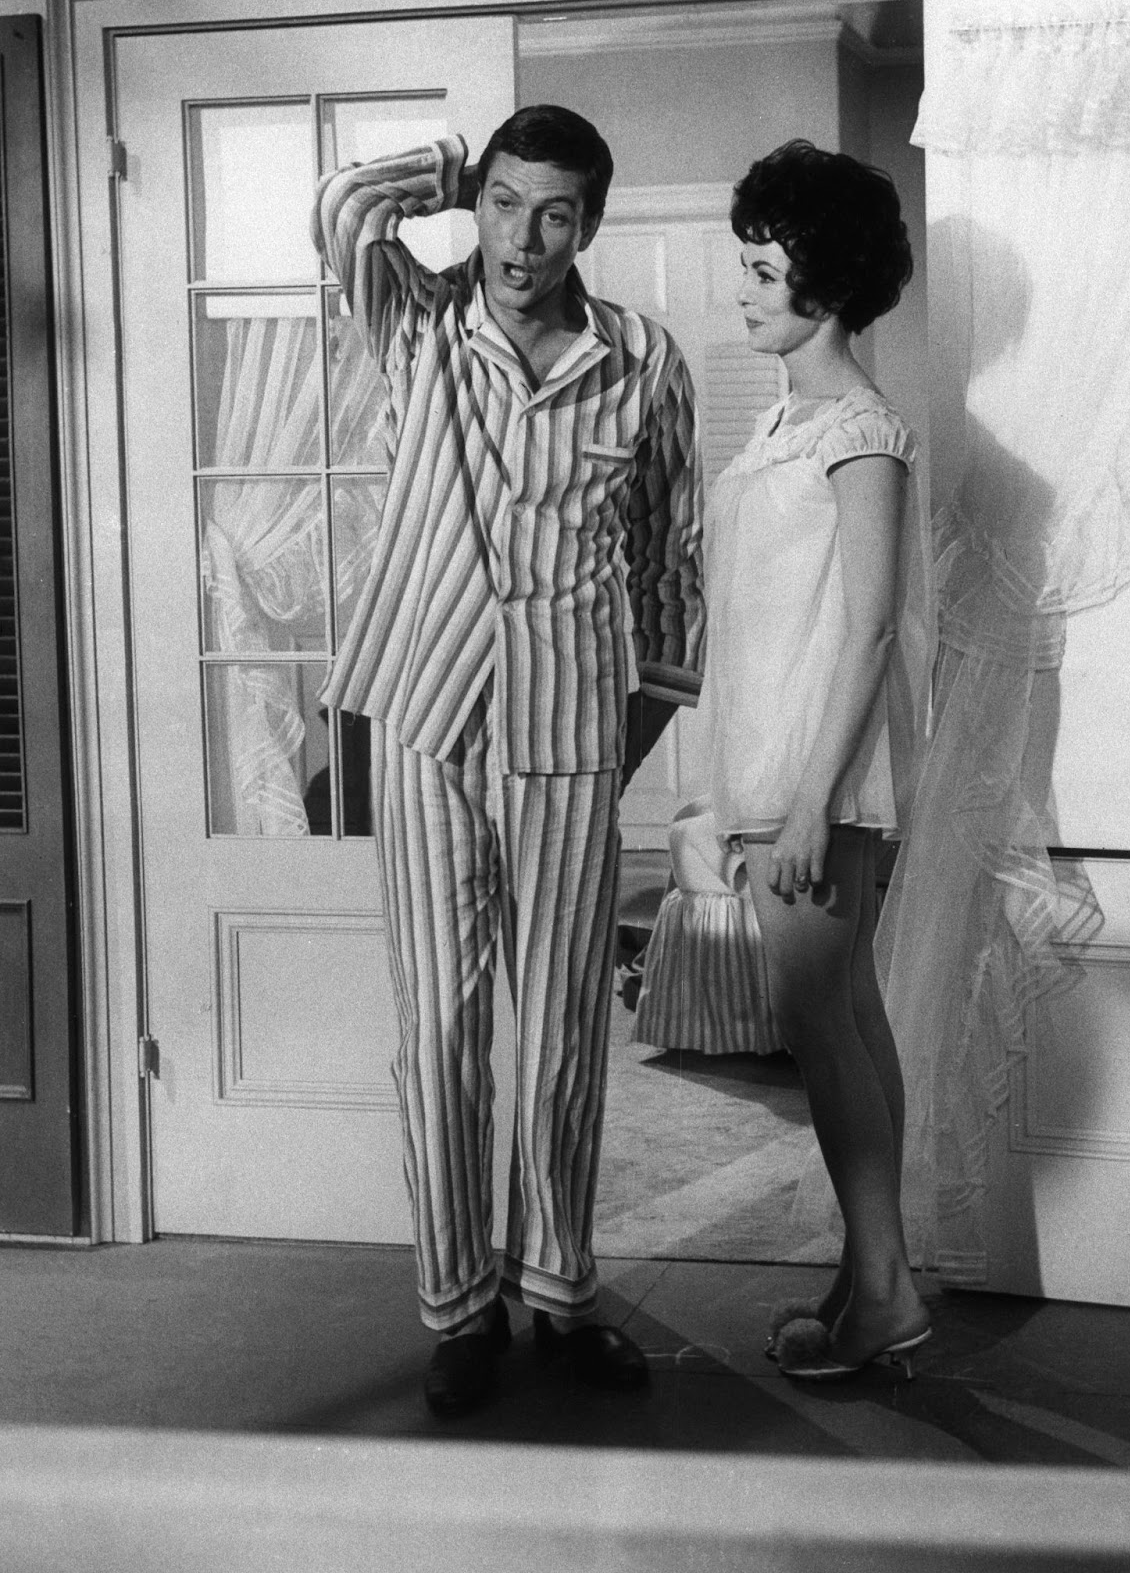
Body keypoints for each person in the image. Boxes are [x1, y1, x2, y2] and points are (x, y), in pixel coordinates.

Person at [311, 105, 704, 1416]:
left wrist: (628, 728)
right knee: (439, 1029)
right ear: (475, 202)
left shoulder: (643, 361)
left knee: (558, 1040)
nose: (524, 241)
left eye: (554, 213)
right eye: (502, 203)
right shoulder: (414, 322)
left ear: (589, 223)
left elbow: (671, 563)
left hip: (570, 734)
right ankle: (459, 1307)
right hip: (427, 719)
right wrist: (442, 163)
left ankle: (556, 1293)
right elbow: (339, 213)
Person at [699, 140, 934, 1379]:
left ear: (825, 282)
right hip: (774, 772)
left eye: (761, 268)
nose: (741, 288)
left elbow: (874, 625)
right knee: (848, 1016)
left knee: (819, 1023)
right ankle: (868, 1285)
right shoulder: (786, 425)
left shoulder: (861, 431)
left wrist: (806, 804)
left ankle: (886, 1293)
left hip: (815, 781)